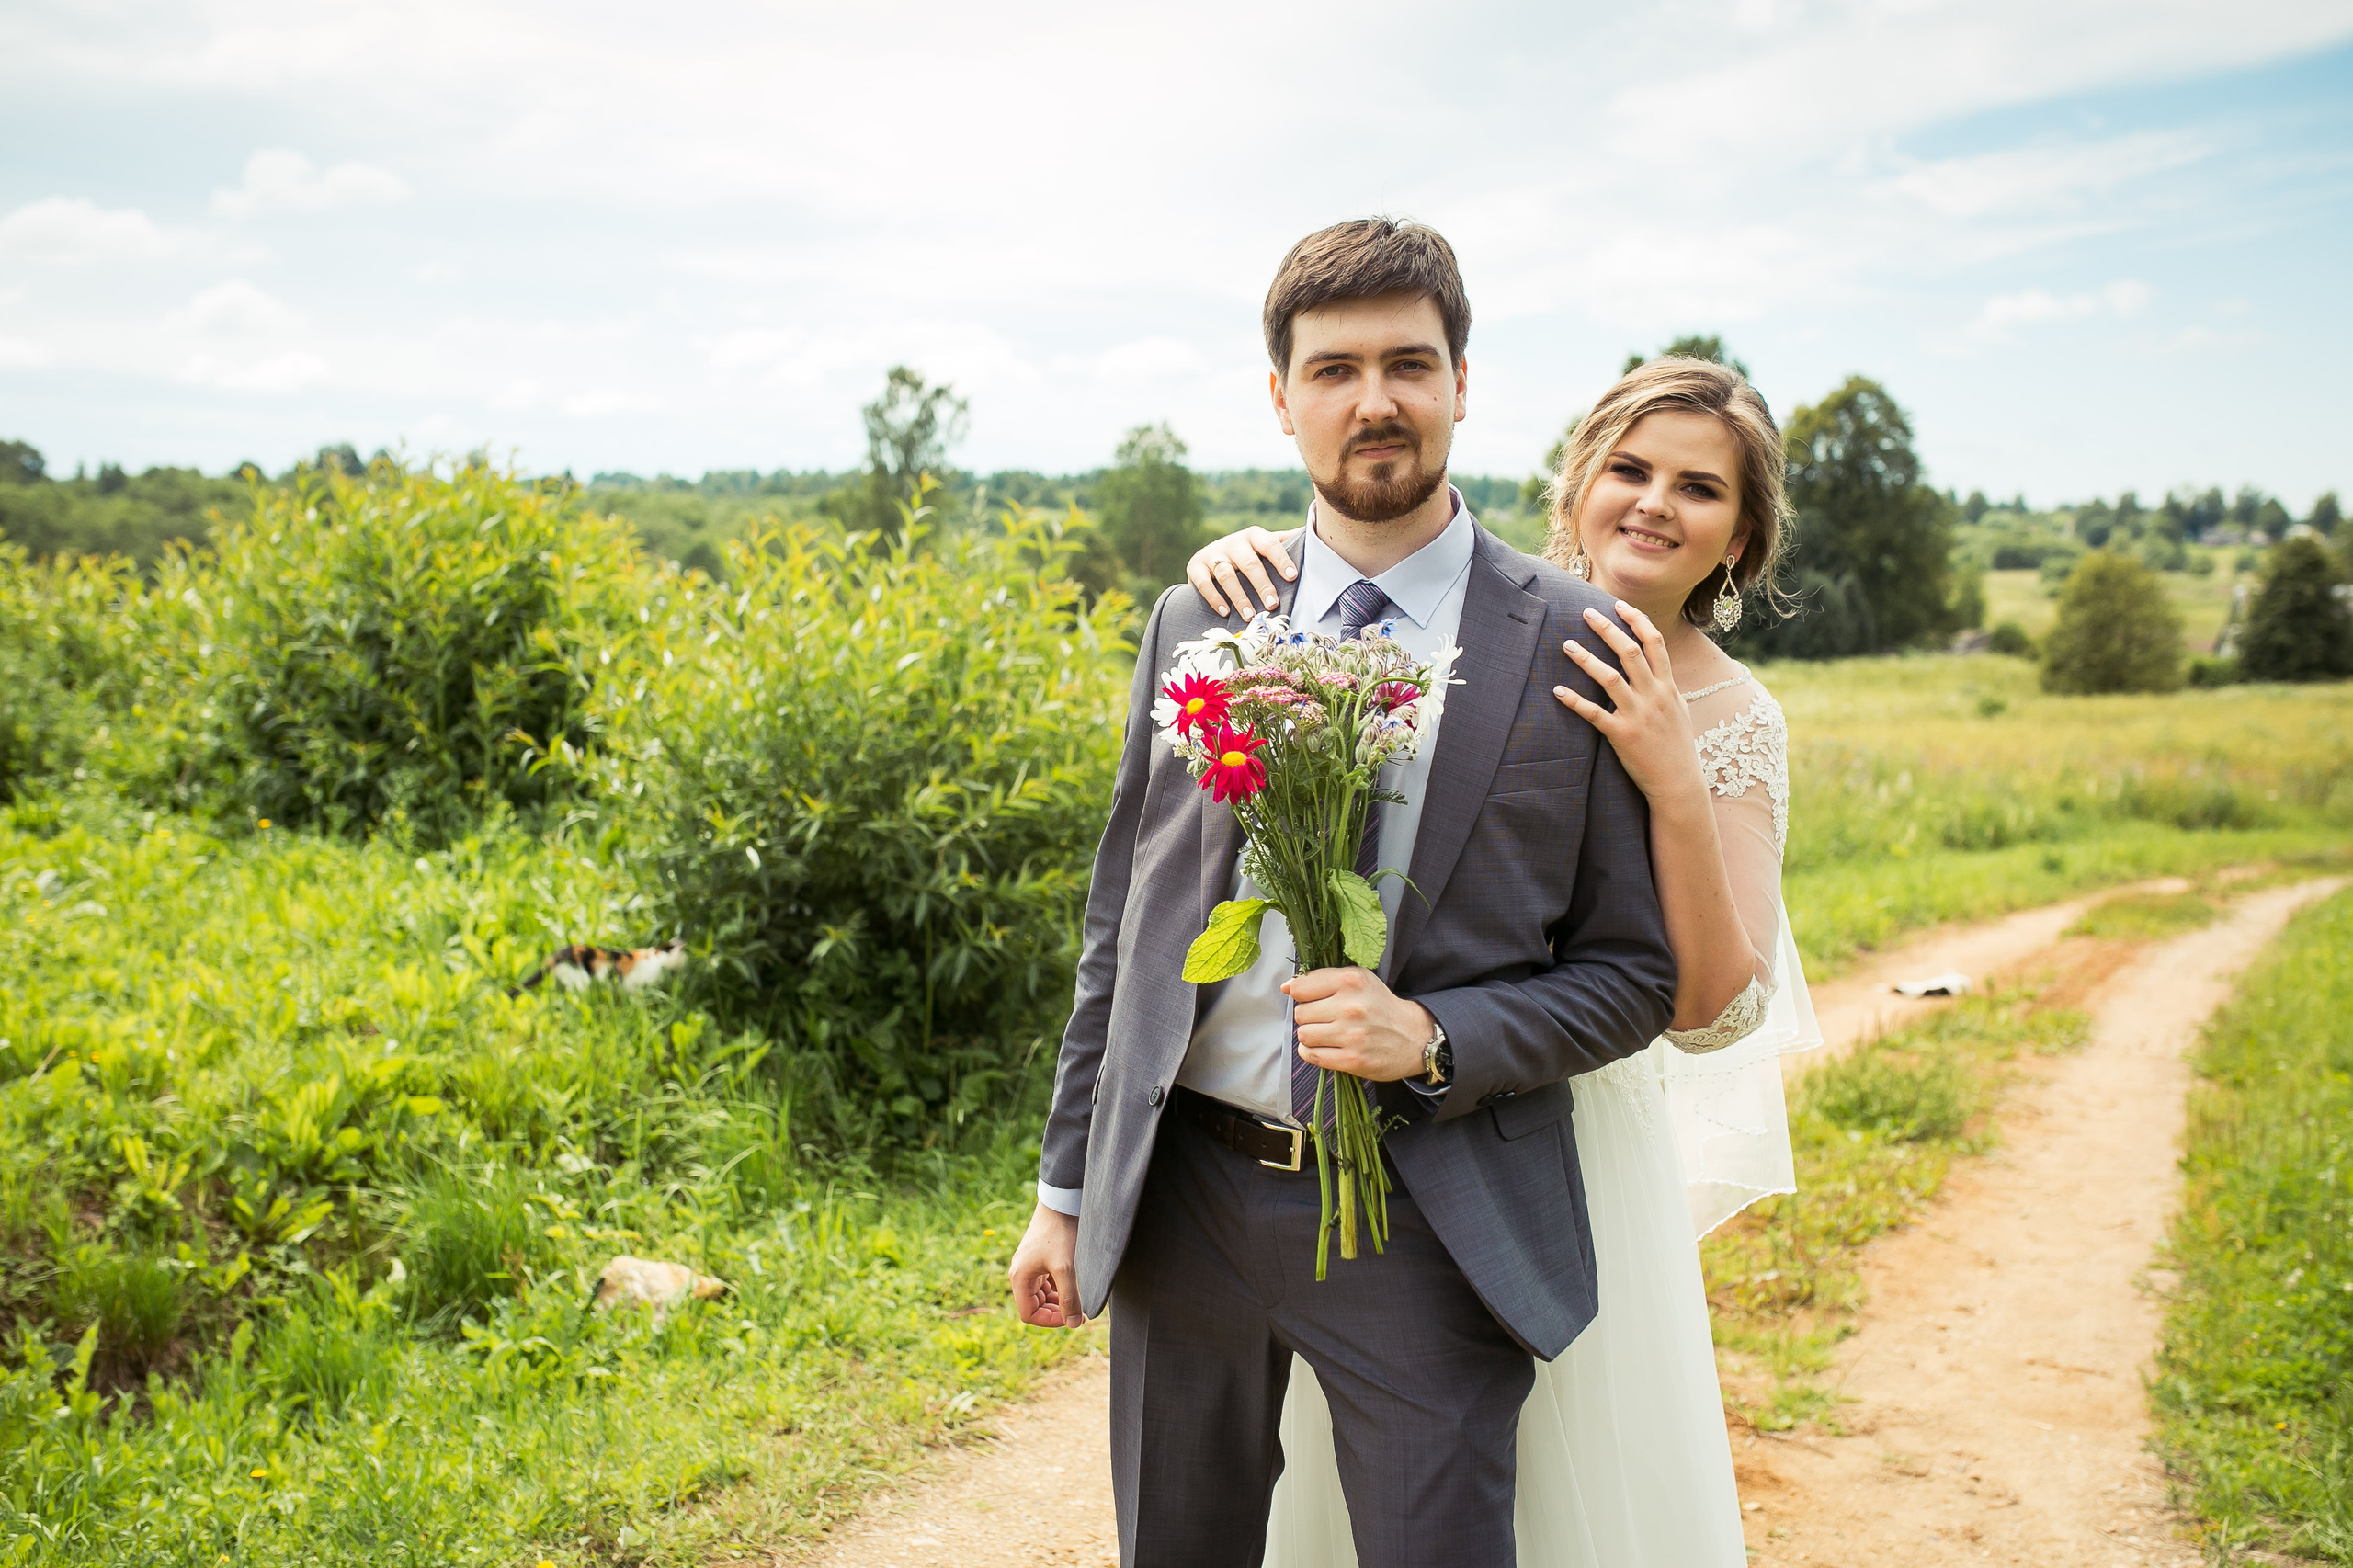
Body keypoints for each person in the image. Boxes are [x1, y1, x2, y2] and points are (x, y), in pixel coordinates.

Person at [1006, 217, 1679, 1568]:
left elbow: (1636, 975)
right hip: (1188, 1196)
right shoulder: (1200, 622)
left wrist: (1436, 1039)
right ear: (1281, 397)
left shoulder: (1578, 641)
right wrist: (1068, 1184)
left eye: (1409, 365)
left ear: (1463, 382)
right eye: (1334, 369)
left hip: (1426, 1222)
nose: (1375, 400)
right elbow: (1125, 925)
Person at [1183, 354, 1822, 1566]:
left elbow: (1711, 1010)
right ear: (1578, 481)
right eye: (1629, 468)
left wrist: (1674, 773)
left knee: (1560, 1493)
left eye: (1699, 488)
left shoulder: (1733, 718)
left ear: (1739, 539)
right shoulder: (1472, 620)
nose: (1653, 503)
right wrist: (1245, 570)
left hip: (1576, 1144)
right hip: (1387, 1127)